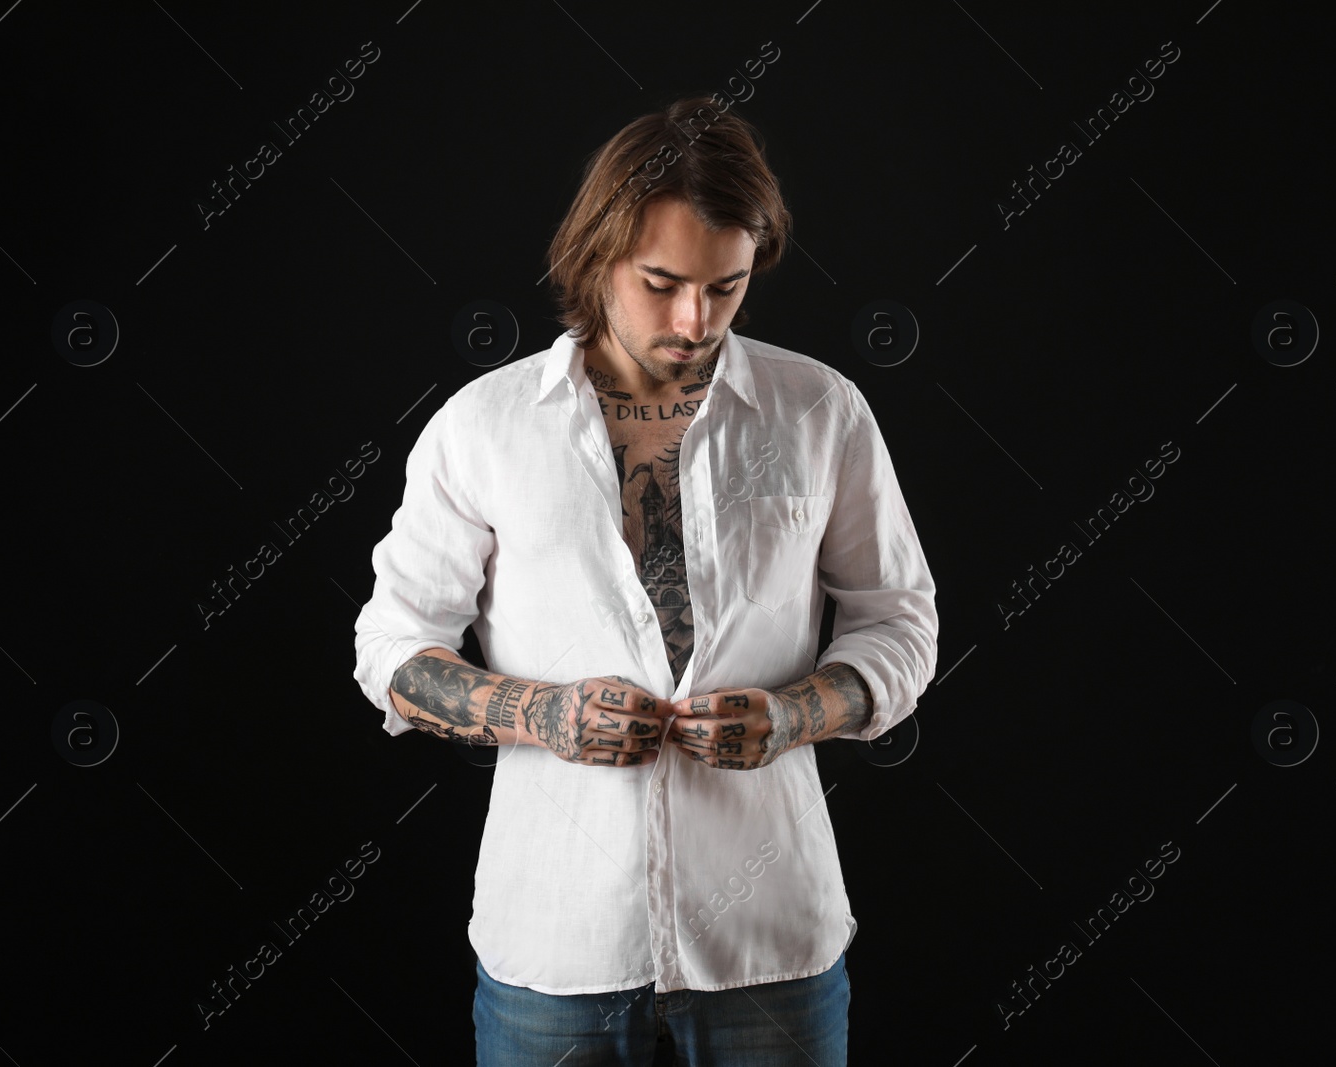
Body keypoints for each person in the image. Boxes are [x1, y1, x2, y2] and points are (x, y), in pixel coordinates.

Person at [352, 93, 937, 1065]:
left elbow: (898, 619)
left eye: (724, 286)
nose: (692, 319)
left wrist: (795, 713)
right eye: (660, 282)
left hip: (770, 942)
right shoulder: (483, 425)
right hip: (557, 947)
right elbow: (389, 644)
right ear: (596, 254)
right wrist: (540, 712)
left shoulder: (819, 410)